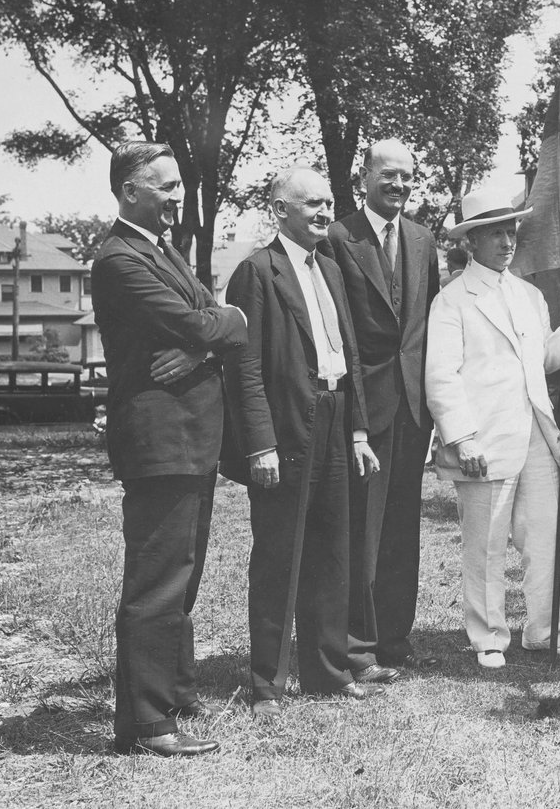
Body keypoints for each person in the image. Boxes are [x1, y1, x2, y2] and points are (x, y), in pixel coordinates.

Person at [92, 141, 247, 756]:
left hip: (191, 436)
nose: (178, 197)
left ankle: (174, 691)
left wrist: (212, 331)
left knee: (183, 575)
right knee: (157, 581)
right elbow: (206, 323)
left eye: (181, 185)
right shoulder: (118, 260)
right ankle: (147, 722)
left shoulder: (164, 251)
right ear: (130, 190)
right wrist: (215, 327)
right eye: (166, 187)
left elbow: (210, 324)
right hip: (160, 439)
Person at [223, 166, 384, 718]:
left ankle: (327, 672)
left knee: (332, 553)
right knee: (278, 556)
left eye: (329, 201)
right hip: (287, 424)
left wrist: (358, 430)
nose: (323, 212)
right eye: (311, 203)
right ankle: (267, 683)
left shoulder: (332, 269)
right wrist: (259, 444)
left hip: (336, 419)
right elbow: (244, 367)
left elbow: (351, 355)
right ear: (280, 210)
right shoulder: (256, 272)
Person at [425, 186, 560, 669]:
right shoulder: (453, 300)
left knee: (544, 539)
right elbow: (440, 375)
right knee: (487, 544)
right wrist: (462, 437)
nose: (506, 241)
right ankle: (490, 638)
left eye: (510, 230)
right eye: (493, 233)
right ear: (470, 243)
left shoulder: (529, 295)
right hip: (484, 438)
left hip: (536, 434)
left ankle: (545, 632)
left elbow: (543, 363)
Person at [325, 139, 441, 675]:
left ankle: (395, 637)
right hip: (363, 406)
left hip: (413, 409)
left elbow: (425, 328)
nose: (399, 185)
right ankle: (355, 645)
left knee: (401, 528)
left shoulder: (422, 239)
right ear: (365, 177)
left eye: (407, 177)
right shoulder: (337, 236)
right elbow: (337, 329)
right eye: (388, 175)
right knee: (361, 529)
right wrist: (353, 417)